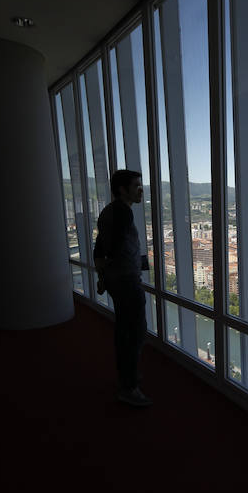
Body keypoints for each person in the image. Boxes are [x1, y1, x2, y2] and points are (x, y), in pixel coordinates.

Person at [94, 169, 151, 407]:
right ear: (122, 190)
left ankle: (127, 377)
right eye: (136, 185)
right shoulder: (123, 214)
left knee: (124, 331)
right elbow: (116, 250)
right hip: (127, 281)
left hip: (118, 280)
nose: (141, 190)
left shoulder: (108, 212)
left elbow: (100, 249)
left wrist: (103, 275)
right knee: (135, 332)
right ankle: (129, 387)